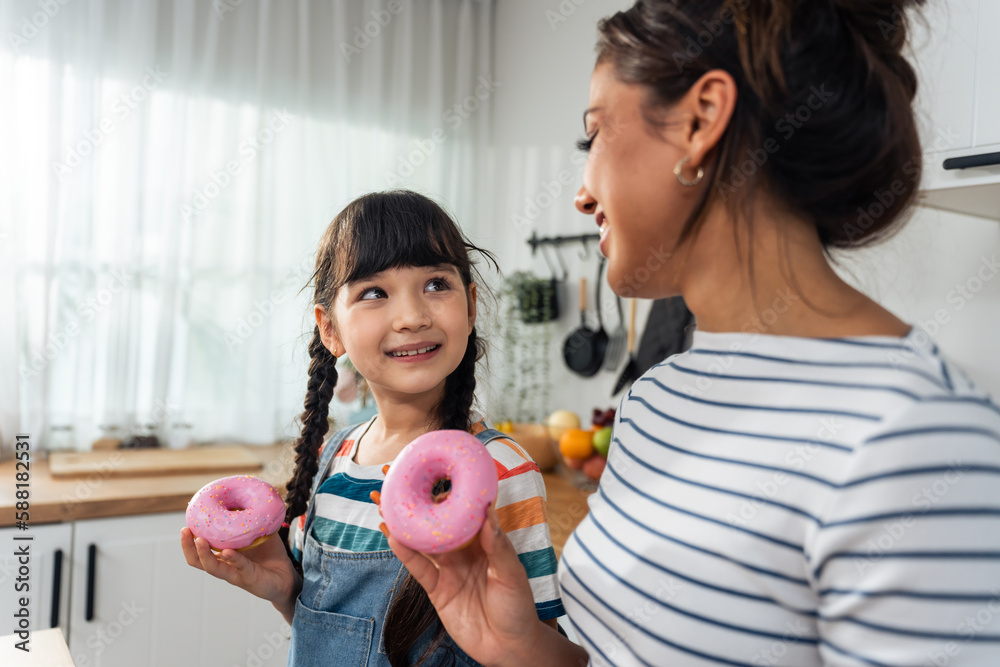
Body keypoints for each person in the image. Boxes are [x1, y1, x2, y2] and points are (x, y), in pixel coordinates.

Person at [381, 1, 1000, 665]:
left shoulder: (916, 437)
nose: (581, 195)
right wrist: (522, 647)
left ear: (702, 120)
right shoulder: (658, 398)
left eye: (594, 139)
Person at [180, 190, 564, 667]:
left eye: (436, 284)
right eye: (374, 293)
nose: (412, 317)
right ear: (330, 329)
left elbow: (537, 647)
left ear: (470, 304)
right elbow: (329, 634)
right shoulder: (328, 460)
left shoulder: (500, 470)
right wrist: (284, 592)